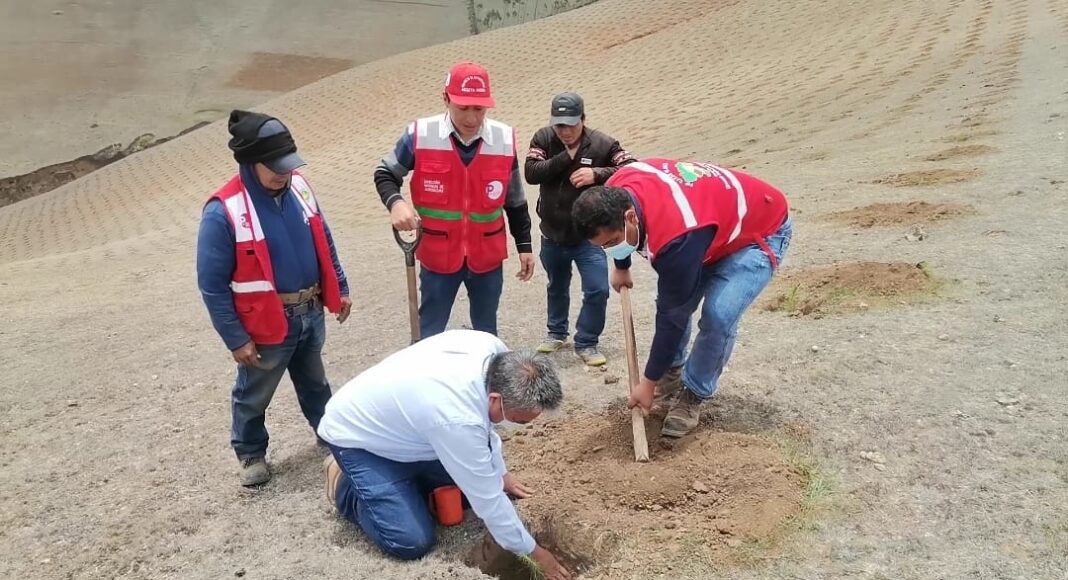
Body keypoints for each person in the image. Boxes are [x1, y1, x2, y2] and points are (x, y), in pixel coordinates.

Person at [317, 330, 572, 579]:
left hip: (414, 432)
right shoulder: (457, 418)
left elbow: (485, 433)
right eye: (518, 420)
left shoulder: (495, 353)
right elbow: (489, 500)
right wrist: (535, 553)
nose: (518, 425)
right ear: (495, 399)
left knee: (467, 494)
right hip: (360, 440)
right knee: (410, 540)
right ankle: (345, 486)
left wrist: (501, 474)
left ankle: (402, 488)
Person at [571, 158, 791, 438]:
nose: (609, 249)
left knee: (718, 315)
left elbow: (672, 315)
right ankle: (671, 373)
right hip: (707, 226)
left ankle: (693, 394)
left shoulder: (676, 238)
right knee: (675, 299)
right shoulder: (618, 187)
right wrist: (621, 265)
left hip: (758, 230)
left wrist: (647, 382)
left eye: (612, 244)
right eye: (602, 247)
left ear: (630, 217)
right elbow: (624, 239)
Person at [196, 110, 353, 486]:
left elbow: (324, 239)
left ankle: (329, 433)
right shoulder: (222, 212)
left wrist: (340, 286)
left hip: (309, 311)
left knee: (315, 381)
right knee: (254, 392)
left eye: (289, 163)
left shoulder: (300, 188)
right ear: (250, 162)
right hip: (266, 323)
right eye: (276, 166)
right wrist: (236, 338)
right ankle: (250, 452)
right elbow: (212, 285)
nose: (286, 172)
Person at [374, 61, 535, 340]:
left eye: (479, 109)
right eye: (463, 108)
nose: (472, 118)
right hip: (438, 255)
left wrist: (524, 245)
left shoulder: (504, 139)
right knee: (429, 331)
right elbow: (385, 173)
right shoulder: (420, 135)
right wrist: (396, 203)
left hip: (486, 255)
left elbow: (515, 200)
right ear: (446, 99)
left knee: (486, 334)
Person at [524, 92, 636, 367]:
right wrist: (566, 157)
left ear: (583, 120)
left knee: (597, 289)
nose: (565, 131)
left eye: (571, 125)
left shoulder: (602, 143)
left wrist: (597, 174)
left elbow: (632, 167)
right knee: (557, 285)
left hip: (589, 237)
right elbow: (531, 172)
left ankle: (587, 341)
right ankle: (556, 332)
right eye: (559, 125)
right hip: (552, 233)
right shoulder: (543, 138)